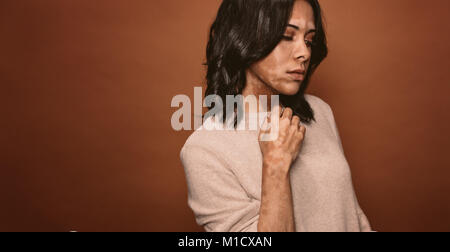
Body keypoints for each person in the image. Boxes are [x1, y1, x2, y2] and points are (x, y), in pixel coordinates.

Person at [180, 0, 372, 232]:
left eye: (309, 40)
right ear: (243, 37)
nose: (304, 53)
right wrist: (275, 165)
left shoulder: (320, 112)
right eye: (287, 36)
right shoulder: (204, 150)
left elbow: (352, 216)